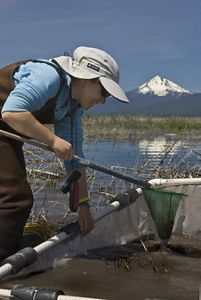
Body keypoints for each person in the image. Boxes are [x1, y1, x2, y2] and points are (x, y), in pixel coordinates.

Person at [0, 46, 129, 262]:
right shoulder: (47, 76)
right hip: (6, 124)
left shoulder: (72, 107)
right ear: (87, 78)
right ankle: (5, 264)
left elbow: (76, 160)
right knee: (15, 198)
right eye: (104, 91)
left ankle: (9, 248)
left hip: (7, 132)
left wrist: (84, 205)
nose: (104, 100)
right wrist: (52, 140)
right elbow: (13, 113)